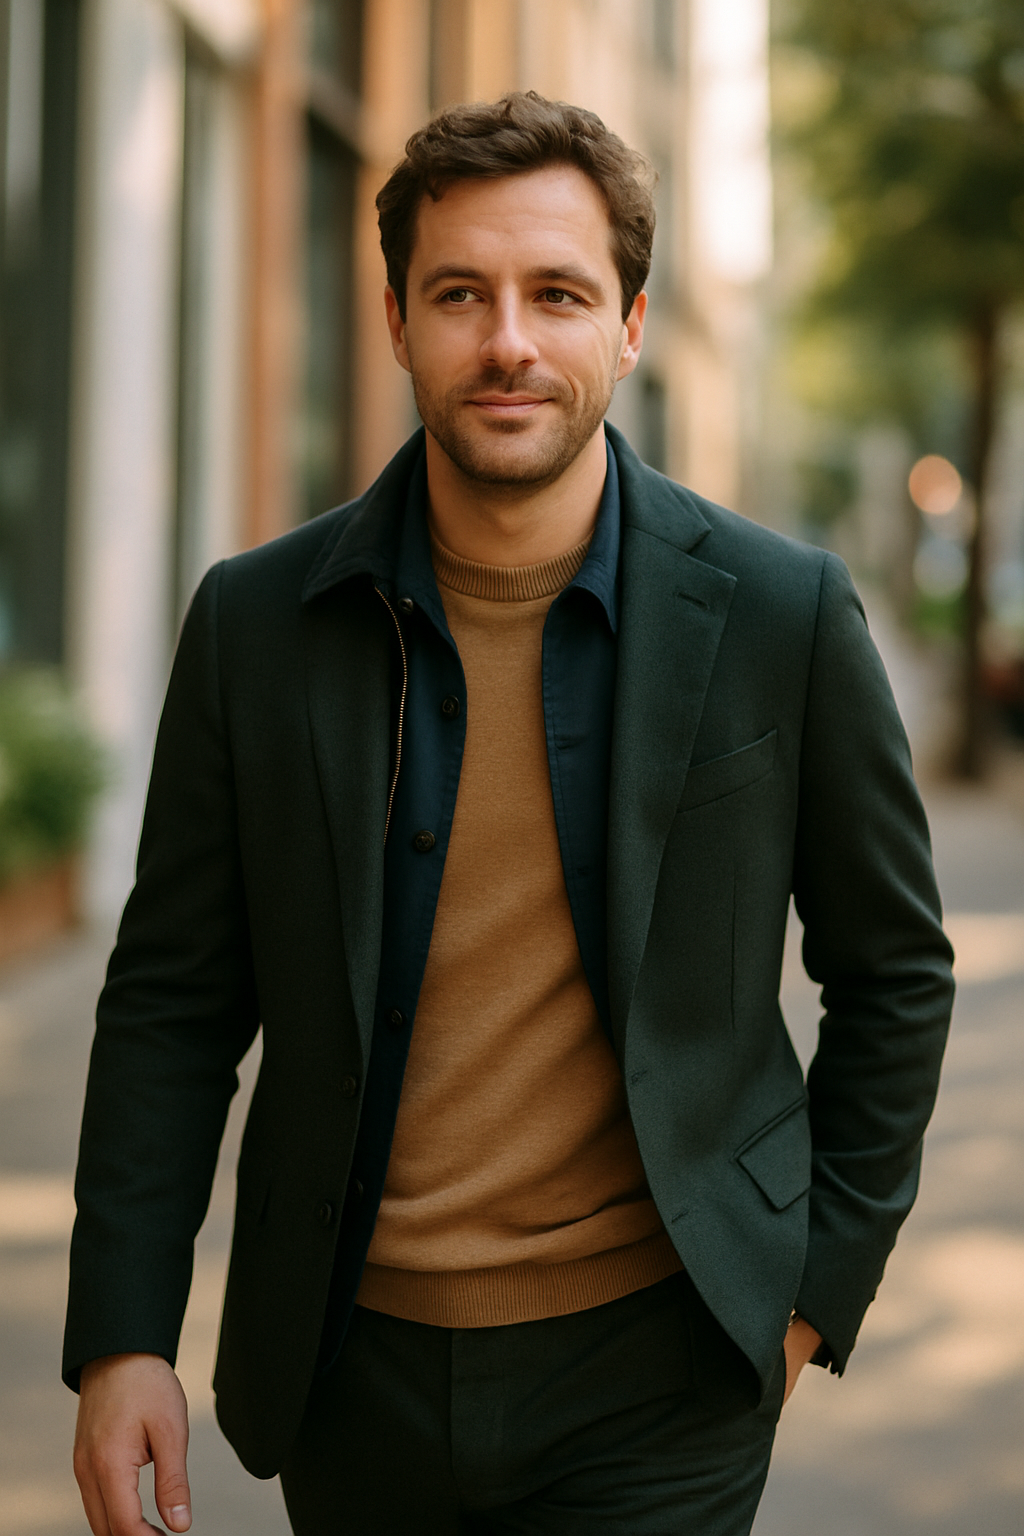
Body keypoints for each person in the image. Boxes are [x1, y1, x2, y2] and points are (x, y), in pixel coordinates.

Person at [66, 92, 954, 1536]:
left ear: (632, 325)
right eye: (460, 294)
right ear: (397, 321)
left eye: (558, 293)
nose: (508, 343)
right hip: (349, 1370)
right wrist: (123, 1338)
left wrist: (806, 1296)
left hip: (660, 1371)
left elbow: (896, 971)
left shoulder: (782, 615)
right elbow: (172, 999)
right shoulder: (254, 626)